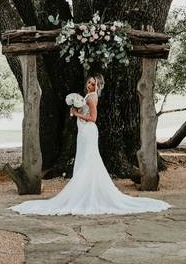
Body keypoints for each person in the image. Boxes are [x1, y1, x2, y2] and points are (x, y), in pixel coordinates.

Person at [10, 74, 170, 215]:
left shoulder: (92, 97)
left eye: (93, 84)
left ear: (98, 86)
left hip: (89, 131)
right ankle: (84, 191)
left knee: (89, 161)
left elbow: (93, 118)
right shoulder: (87, 96)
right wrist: (77, 109)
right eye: (89, 83)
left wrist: (77, 114)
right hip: (83, 131)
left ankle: (87, 192)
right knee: (86, 160)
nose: (90, 85)